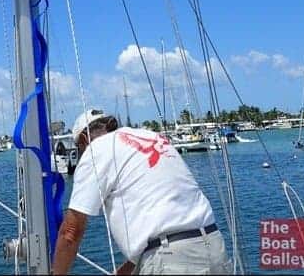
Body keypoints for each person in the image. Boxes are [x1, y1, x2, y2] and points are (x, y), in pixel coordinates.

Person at [51, 109, 232, 275]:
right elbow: (163, 231)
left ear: (83, 139)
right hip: (214, 247)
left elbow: (71, 232)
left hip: (172, 261)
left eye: (79, 148)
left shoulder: (95, 150)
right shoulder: (151, 136)